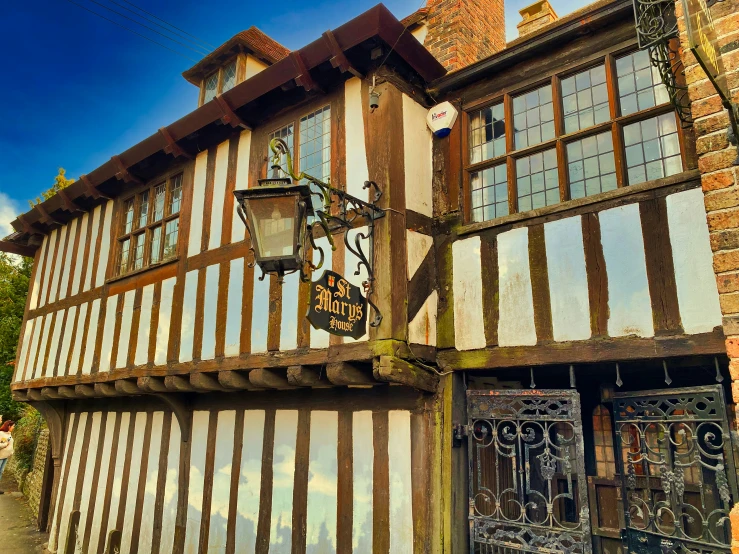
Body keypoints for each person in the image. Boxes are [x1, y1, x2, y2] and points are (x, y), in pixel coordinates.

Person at [0, 420, 15, 494]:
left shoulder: (9, 434)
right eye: (13, 426)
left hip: (5, 456)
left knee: (1, 472)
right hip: (0, 456)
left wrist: (11, 451)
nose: (13, 428)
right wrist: (4, 445)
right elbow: (2, 444)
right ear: (9, 426)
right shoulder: (1, 433)